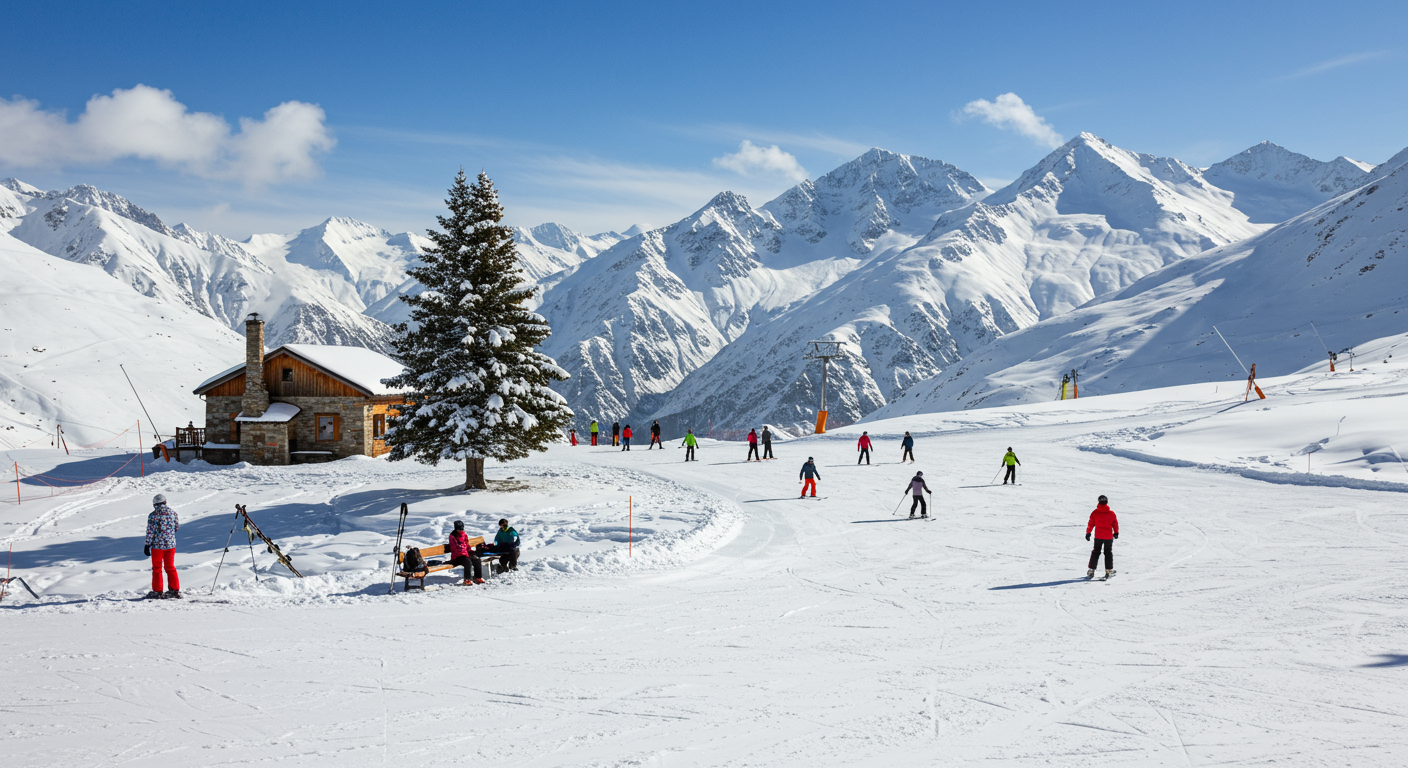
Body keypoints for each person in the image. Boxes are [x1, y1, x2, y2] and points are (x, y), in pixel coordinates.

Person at [143, 493, 181, 599]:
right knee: (170, 567)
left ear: (155, 504)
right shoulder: (173, 513)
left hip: (157, 546)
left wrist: (147, 544)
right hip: (171, 545)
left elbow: (150, 531)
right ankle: (174, 590)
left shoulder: (153, 515)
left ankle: (157, 591)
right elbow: (176, 527)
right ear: (165, 502)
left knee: (157, 568)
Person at [1085, 495, 1119, 578]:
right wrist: (1116, 532)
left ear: (1098, 502)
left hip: (1098, 536)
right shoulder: (1111, 513)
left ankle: (1091, 570)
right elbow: (1115, 523)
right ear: (1107, 502)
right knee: (1108, 553)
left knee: (1096, 552)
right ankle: (1108, 570)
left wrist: (1088, 533)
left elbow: (1091, 523)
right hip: (1108, 536)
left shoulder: (1095, 513)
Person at [448, 520, 485, 585]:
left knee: (477, 560)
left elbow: (467, 544)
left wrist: (470, 551)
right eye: (459, 529)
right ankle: (467, 579)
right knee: (467, 562)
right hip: (457, 556)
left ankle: (477, 577)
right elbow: (455, 547)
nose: (460, 531)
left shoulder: (464, 534)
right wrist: (463, 548)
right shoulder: (452, 536)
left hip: (465, 554)